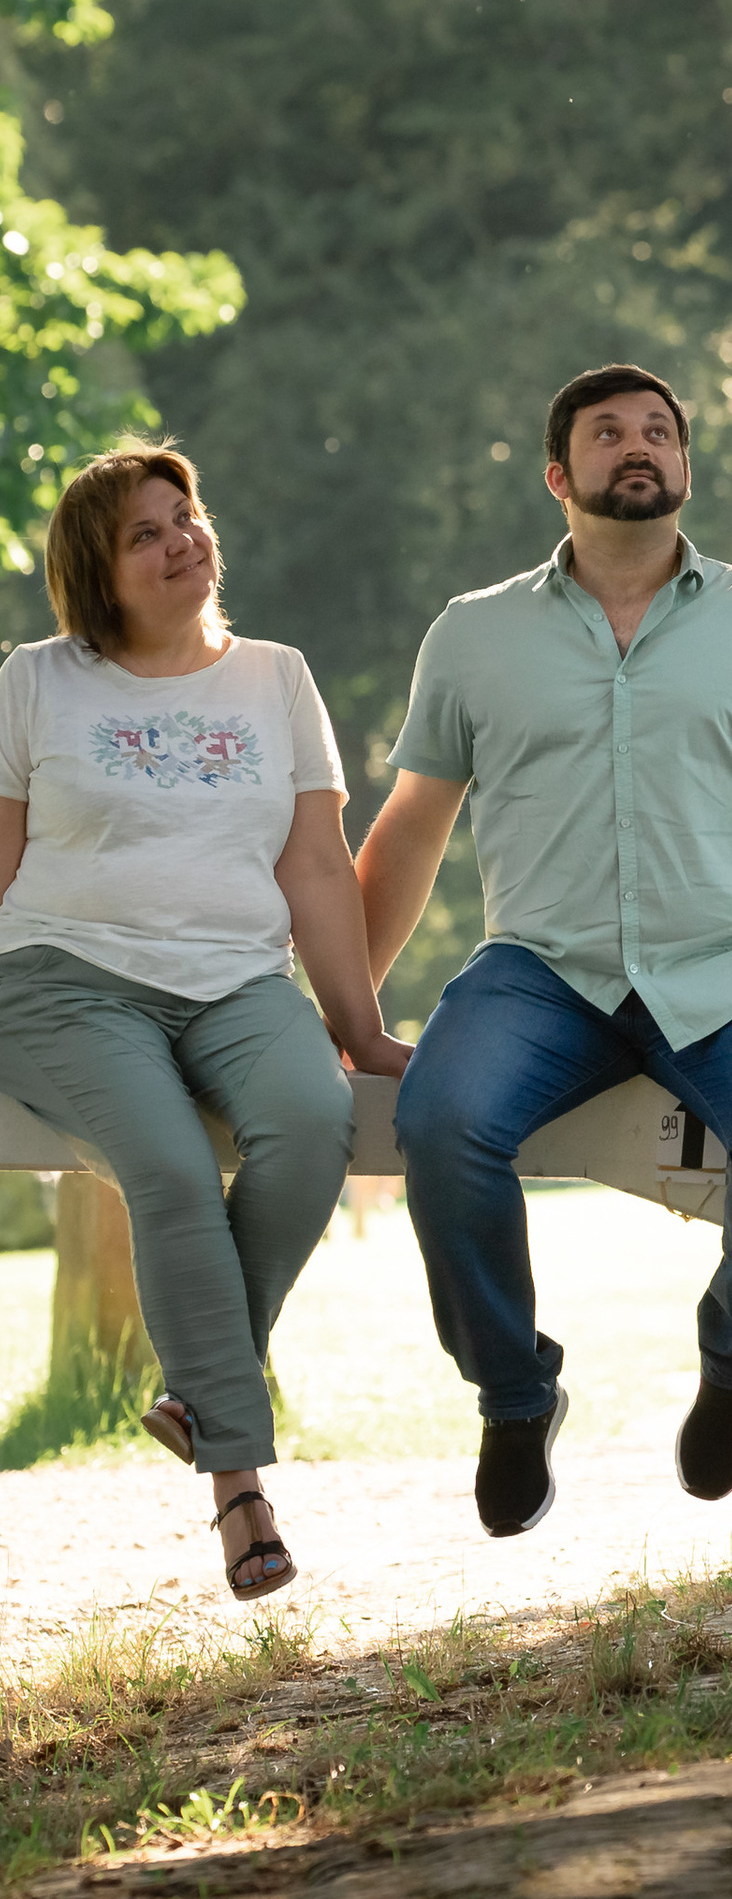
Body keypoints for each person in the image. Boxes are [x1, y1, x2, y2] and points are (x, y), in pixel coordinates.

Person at [356, 365, 732, 1538]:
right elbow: (410, 828)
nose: (638, 447)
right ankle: (516, 1396)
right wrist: (349, 998)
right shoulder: (473, 634)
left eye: (658, 431)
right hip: (541, 971)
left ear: (685, 467)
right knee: (441, 1123)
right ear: (560, 475)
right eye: (607, 433)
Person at [0, 446, 408, 1599]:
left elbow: (319, 867)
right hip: (62, 975)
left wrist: (362, 1029)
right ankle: (240, 1488)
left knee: (310, 1116)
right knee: (172, 1172)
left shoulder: (276, 677)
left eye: (186, 517)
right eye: (145, 533)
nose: (183, 539)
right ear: (98, 571)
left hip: (236, 977)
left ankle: (200, 1388)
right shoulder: (33, 679)